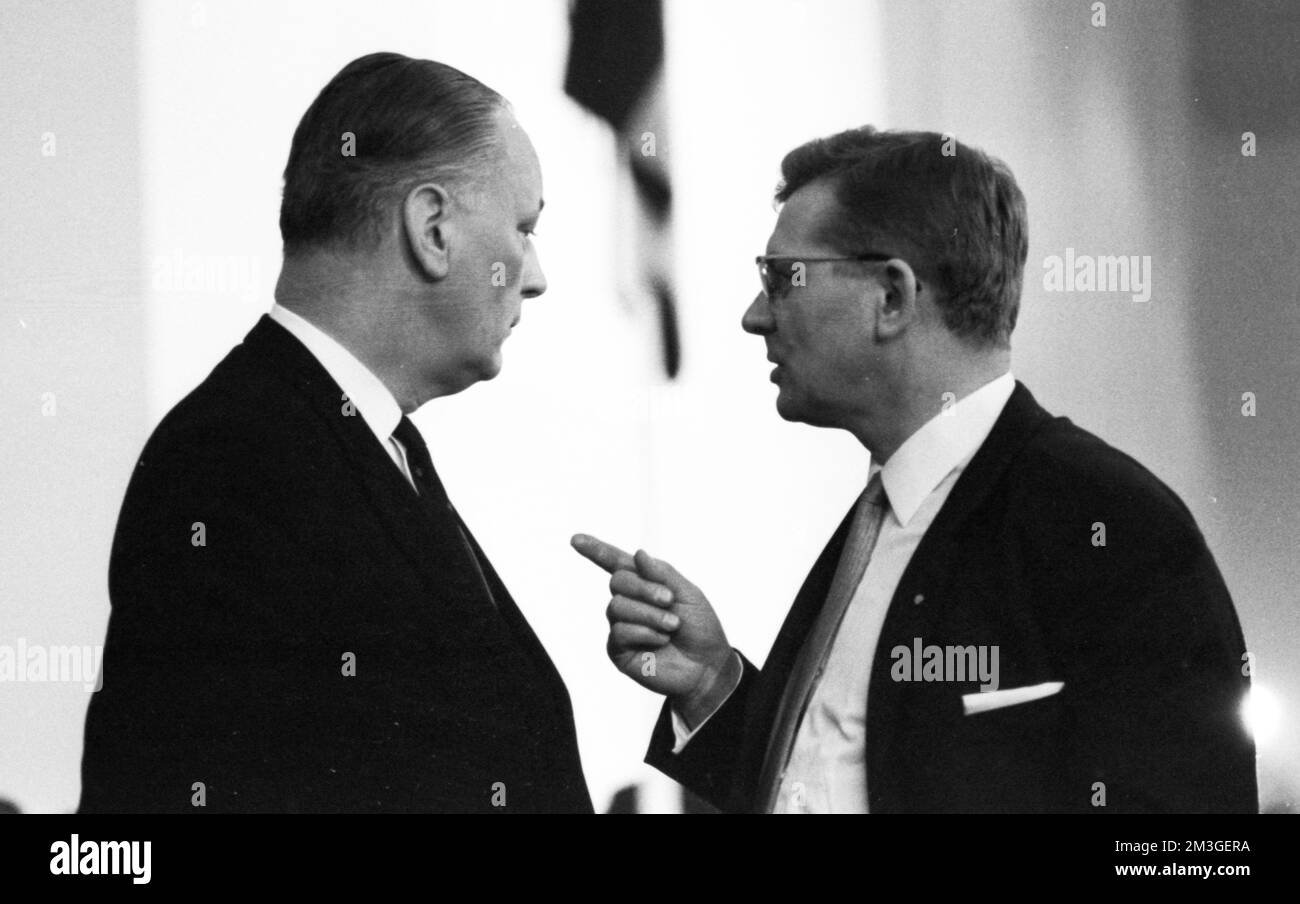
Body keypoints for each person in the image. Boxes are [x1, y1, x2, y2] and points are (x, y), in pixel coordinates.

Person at [573, 126, 1257, 813]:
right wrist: (711, 686)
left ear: (893, 297)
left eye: (781, 279)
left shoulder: (1109, 522)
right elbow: (838, 773)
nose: (755, 317)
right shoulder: (883, 513)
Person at [80, 52, 592, 813]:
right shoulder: (232, 459)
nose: (537, 273)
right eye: (524, 227)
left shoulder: (349, 441)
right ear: (432, 227)